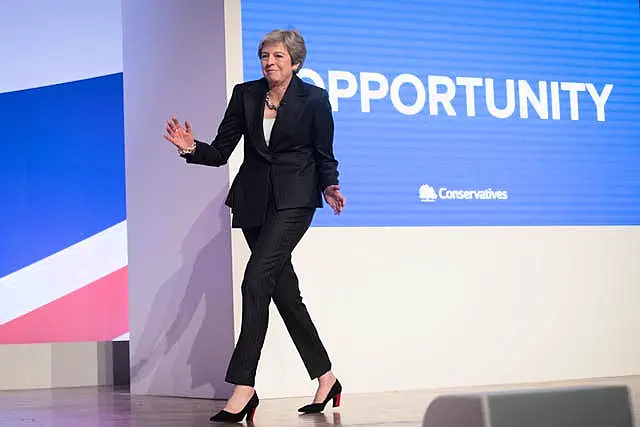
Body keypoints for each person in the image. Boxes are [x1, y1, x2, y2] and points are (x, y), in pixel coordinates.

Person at [163, 29, 346, 423]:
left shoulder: (314, 98)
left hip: (295, 201)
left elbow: (323, 152)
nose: (269, 62)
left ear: (295, 61)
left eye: (278, 56)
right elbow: (221, 152)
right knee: (285, 294)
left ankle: (243, 387)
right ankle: (327, 377)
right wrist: (192, 147)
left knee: (255, 280)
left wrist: (330, 184)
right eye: (265, 55)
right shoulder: (245, 95)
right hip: (253, 204)